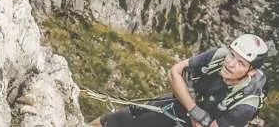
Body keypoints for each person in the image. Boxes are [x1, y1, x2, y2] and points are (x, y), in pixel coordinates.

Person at [91, 34, 268, 127]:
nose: (230, 63)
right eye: (232, 55)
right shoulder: (218, 56)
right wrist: (193, 109)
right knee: (110, 121)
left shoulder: (245, 105)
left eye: (240, 63)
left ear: (251, 72)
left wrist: (190, 107)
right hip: (185, 106)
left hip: (196, 115)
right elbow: (174, 72)